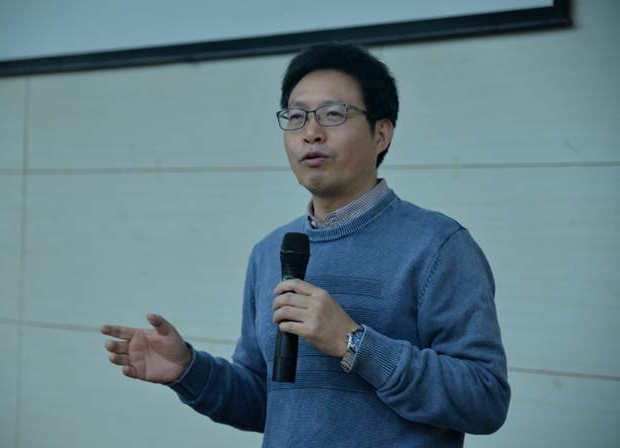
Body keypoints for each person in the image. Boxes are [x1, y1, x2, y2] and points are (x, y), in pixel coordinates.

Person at [101, 43, 510, 447]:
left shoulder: (438, 246)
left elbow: (485, 399)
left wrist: (352, 342)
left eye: (333, 114)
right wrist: (189, 370)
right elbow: (265, 402)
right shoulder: (271, 252)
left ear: (381, 134)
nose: (311, 133)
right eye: (296, 117)